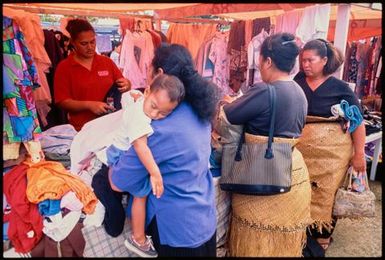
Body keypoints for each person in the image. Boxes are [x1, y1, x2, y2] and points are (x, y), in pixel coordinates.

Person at [109, 43, 220, 257]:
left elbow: (118, 182)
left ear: (159, 74)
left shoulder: (155, 129)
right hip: (204, 220)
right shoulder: (200, 111)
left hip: (176, 232)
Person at [70, 74, 185, 257]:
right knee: (140, 193)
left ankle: (136, 234)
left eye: (164, 113)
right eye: (154, 107)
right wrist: (155, 173)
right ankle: (137, 238)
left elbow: (138, 103)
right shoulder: (139, 118)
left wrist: (141, 100)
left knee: (137, 193)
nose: (155, 115)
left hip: (119, 157)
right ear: (147, 91)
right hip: (117, 158)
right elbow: (141, 146)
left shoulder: (143, 103)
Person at [221, 33, 312, 256]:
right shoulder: (299, 91)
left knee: (256, 246)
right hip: (293, 176)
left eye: (259, 60)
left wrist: (227, 102)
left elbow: (228, 115)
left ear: (268, 61)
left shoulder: (265, 90)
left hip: (260, 174)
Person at [294, 38, 366, 251]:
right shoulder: (297, 81)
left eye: (310, 60)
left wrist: (359, 154)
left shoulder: (341, 88)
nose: (305, 65)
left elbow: (358, 122)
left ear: (324, 60)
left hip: (332, 155)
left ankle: (323, 236)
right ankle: (301, 231)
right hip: (302, 150)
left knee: (326, 194)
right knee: (301, 189)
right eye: (302, 60)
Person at [54, 18, 131, 131]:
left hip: (111, 126)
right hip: (82, 129)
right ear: (73, 43)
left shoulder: (107, 62)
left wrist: (127, 84)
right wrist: (89, 105)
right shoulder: (64, 67)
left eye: (92, 42)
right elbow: (62, 101)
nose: (90, 47)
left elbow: (122, 85)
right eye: (84, 43)